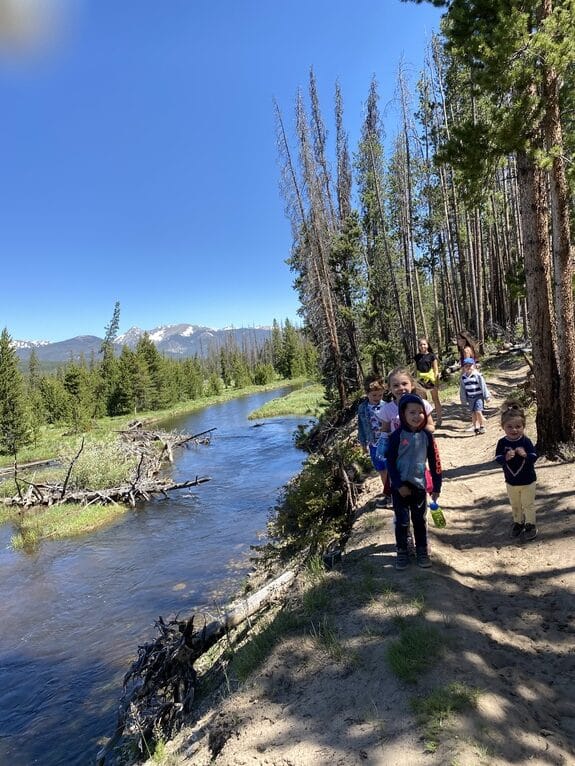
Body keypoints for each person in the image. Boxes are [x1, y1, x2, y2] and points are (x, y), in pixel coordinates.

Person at [386, 393, 442, 570]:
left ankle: (422, 551)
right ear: (403, 414)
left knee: (419, 520)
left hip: (419, 485)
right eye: (412, 412)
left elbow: (435, 462)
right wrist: (398, 484)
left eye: (420, 412)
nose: (417, 416)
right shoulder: (396, 436)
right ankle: (402, 551)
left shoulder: (427, 436)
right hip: (400, 487)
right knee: (402, 521)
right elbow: (390, 462)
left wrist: (437, 486)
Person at [495, 401, 538, 540]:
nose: (514, 430)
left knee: (528, 504)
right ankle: (518, 522)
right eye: (510, 427)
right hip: (511, 482)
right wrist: (505, 457)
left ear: (523, 427)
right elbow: (498, 458)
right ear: (503, 427)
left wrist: (526, 455)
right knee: (515, 504)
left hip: (528, 481)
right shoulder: (502, 443)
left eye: (518, 427)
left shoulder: (526, 441)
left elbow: (533, 457)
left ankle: (530, 525)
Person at [357, 374, 389, 507]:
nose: (377, 398)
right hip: (373, 444)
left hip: (387, 442)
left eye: (380, 395)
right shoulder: (362, 408)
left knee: (391, 468)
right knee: (381, 469)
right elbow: (361, 427)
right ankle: (387, 492)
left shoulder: (387, 406)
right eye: (374, 395)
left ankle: (393, 492)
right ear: (367, 393)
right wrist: (363, 444)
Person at [379, 367, 435, 435]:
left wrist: (417, 427)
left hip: (421, 444)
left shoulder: (423, 404)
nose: (401, 388)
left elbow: (431, 427)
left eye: (404, 384)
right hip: (399, 445)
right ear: (390, 388)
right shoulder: (387, 410)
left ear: (412, 385)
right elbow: (385, 431)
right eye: (396, 385)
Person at [414, 337, 443, 426]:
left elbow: (436, 369)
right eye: (421, 344)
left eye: (424, 344)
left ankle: (439, 419)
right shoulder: (417, 357)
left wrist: (436, 381)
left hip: (431, 380)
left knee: (435, 399)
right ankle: (425, 420)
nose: (422, 346)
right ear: (418, 346)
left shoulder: (432, 356)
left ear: (427, 345)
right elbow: (415, 370)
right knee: (422, 400)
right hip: (420, 380)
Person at [459, 357, 490, 435]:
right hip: (470, 398)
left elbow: (483, 386)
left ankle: (482, 426)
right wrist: (463, 400)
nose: (468, 367)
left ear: (474, 366)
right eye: (466, 366)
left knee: (478, 411)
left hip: (478, 396)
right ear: (463, 368)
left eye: (470, 365)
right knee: (473, 413)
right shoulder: (463, 378)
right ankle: (475, 427)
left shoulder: (477, 375)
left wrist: (486, 396)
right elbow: (462, 390)